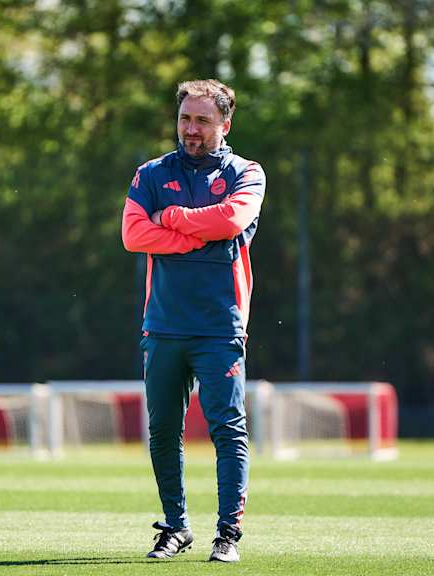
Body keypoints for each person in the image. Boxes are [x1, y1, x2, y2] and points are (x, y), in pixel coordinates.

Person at [121, 79, 265, 563]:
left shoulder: (248, 173)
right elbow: (132, 233)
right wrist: (194, 236)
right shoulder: (151, 173)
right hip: (162, 325)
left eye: (203, 120)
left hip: (220, 327)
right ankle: (176, 527)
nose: (191, 129)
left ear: (225, 124)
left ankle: (227, 536)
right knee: (163, 430)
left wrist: (175, 217)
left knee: (228, 429)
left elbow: (229, 221)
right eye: (185, 118)